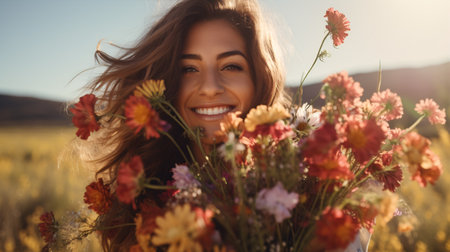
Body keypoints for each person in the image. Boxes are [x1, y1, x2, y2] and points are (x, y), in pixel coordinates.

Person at [83, 0, 288, 250]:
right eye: (189, 68)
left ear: (261, 79)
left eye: (231, 66)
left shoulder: (301, 193)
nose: (210, 87)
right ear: (168, 82)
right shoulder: (139, 215)